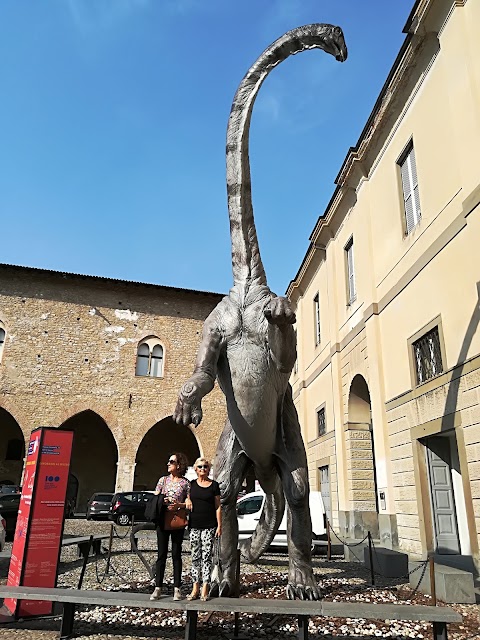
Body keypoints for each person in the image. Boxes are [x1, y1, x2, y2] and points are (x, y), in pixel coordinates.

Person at [150, 452, 190, 601]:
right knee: (161, 555)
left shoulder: (185, 483)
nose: (168, 464)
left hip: (177, 520)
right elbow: (155, 497)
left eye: (171, 461)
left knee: (176, 554)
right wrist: (162, 499)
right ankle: (158, 587)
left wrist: (178, 505)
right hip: (162, 520)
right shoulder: (163, 480)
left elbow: (189, 503)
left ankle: (177, 588)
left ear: (179, 465)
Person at [186, 457, 222, 602]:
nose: (203, 469)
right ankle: (195, 586)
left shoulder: (214, 486)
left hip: (209, 526)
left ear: (209, 469)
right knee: (195, 557)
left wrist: (220, 525)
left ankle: (205, 587)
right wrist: (187, 500)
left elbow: (218, 506)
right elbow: (186, 498)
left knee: (206, 557)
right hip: (194, 525)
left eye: (205, 467)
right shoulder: (191, 485)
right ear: (195, 469)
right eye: (200, 467)